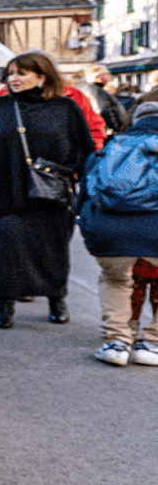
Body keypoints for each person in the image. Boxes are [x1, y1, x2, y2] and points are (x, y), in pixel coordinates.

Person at [0, 51, 97, 329]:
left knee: (53, 249)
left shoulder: (67, 108)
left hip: (53, 193)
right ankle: (5, 303)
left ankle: (56, 298)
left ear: (42, 76)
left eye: (21, 73)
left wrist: (88, 188)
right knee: (8, 250)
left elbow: (85, 151)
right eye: (11, 73)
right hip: (7, 190)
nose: (14, 78)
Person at [78, 102, 158, 365]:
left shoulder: (111, 148)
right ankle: (153, 343)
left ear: (135, 121)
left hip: (111, 230)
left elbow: (84, 197)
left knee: (115, 280)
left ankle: (117, 342)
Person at [74, 66, 130, 137]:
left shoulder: (92, 89)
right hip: (112, 134)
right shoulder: (97, 91)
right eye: (106, 74)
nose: (109, 76)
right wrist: (117, 130)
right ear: (97, 77)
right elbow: (103, 111)